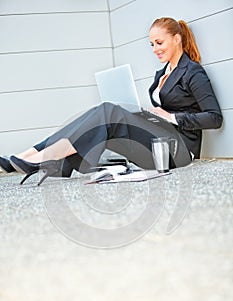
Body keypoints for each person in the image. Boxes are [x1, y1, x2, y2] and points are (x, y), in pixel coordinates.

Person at [0, 17, 223, 185]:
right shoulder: (162, 74)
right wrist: (148, 114)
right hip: (160, 138)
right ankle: (26, 156)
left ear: (177, 39)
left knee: (108, 111)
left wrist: (170, 116)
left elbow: (214, 118)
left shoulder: (193, 72)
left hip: (179, 150)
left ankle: (43, 159)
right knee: (99, 113)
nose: (155, 49)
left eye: (159, 42)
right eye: (151, 45)